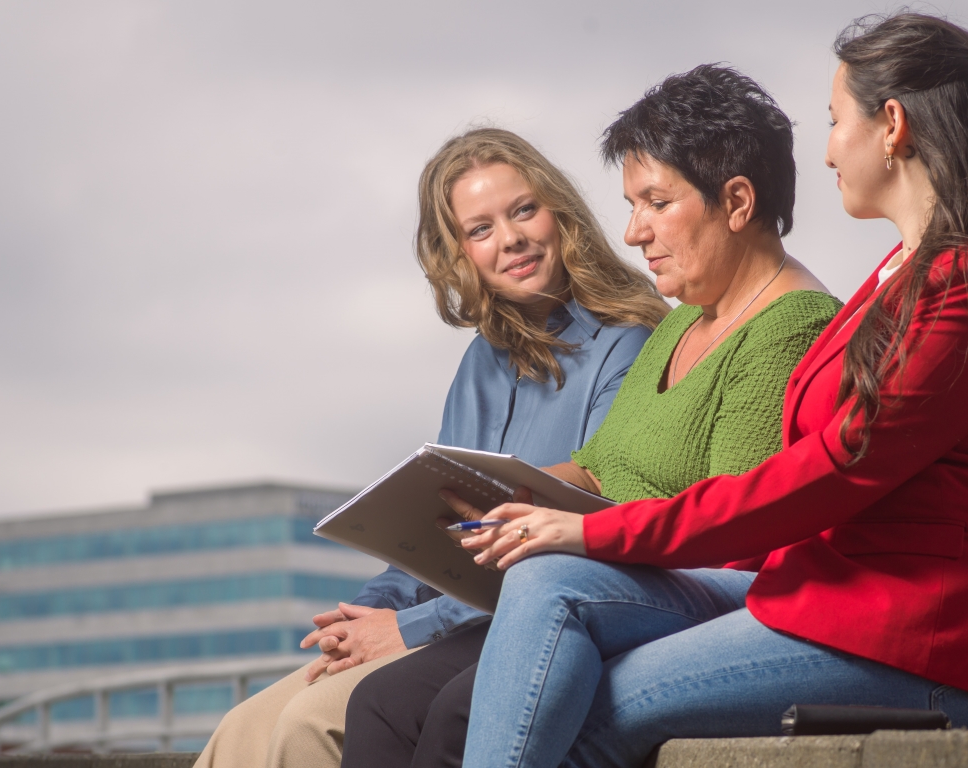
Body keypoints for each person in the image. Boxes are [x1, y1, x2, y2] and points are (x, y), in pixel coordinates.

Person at [449, 13, 968, 768]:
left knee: (589, 716)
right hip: (817, 600)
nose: (826, 147)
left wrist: (593, 530)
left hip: (912, 640)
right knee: (546, 584)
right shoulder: (897, 277)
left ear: (891, 125)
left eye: (835, 121)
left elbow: (834, 467)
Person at [341, 66, 840, 768]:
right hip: (618, 576)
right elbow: (603, 464)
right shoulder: (685, 324)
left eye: (655, 202)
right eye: (633, 204)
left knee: (462, 704)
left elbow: (735, 530)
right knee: (383, 704)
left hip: (679, 592)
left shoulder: (788, 329)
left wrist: (576, 531)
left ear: (735, 202)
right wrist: (505, 494)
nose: (634, 231)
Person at [191, 127, 668, 768]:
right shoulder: (481, 364)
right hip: (454, 620)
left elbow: (584, 535)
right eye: (481, 229)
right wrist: (366, 615)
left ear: (561, 214)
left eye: (524, 210)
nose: (511, 240)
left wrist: (405, 629)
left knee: (309, 724)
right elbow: (437, 537)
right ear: (459, 253)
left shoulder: (628, 342)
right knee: (242, 731)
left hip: (535, 620)